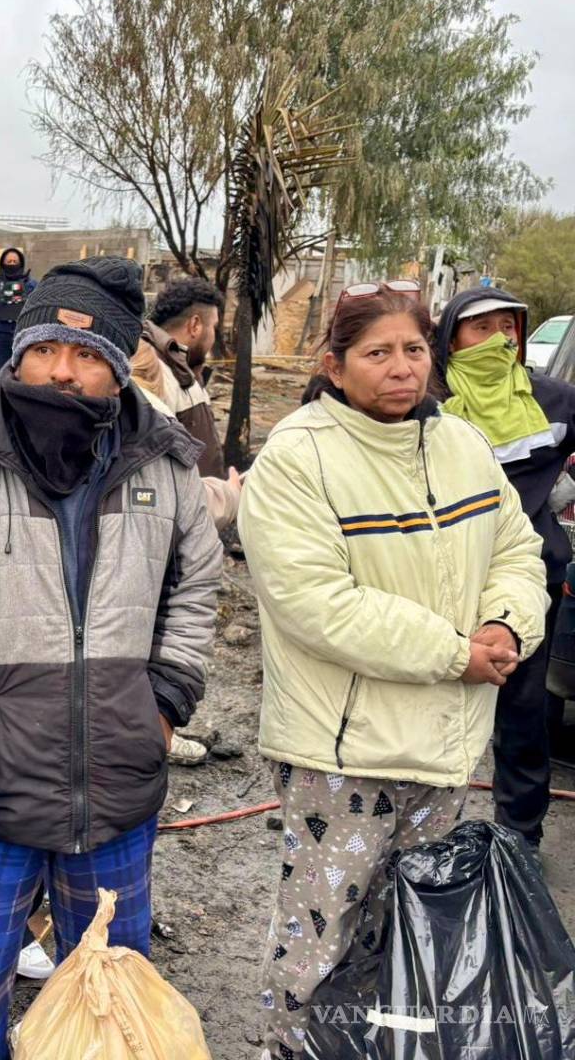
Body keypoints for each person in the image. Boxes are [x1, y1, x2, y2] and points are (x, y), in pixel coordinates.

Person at [0, 256, 222, 1060]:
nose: (63, 372)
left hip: (116, 789)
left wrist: (163, 702)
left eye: (89, 356)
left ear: (121, 364)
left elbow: (196, 589)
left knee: (110, 989)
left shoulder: (162, 466)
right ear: (17, 352)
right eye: (47, 350)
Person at [238, 286, 547, 1060]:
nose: (401, 369)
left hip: (445, 748)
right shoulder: (299, 457)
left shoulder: (461, 446)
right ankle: (292, 1050)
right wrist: (456, 653)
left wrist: (508, 623)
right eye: (378, 353)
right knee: (319, 933)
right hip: (345, 755)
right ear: (334, 366)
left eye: (414, 350)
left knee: (408, 933)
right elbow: (317, 603)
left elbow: (517, 546)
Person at [433, 286, 575, 849]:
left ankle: (521, 840)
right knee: (437, 709)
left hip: (529, 577)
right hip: (444, 579)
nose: (498, 339)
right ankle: (427, 836)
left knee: (523, 715)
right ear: (451, 340)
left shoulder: (556, 400)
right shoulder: (428, 400)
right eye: (481, 328)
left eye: (508, 328)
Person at [133, 276, 243, 531]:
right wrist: (225, 498)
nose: (215, 337)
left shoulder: (180, 369)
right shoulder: (152, 374)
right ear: (195, 325)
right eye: (214, 327)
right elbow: (155, 486)